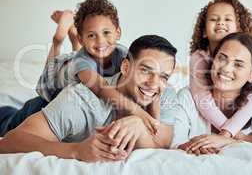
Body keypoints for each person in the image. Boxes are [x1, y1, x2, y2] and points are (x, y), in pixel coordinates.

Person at [0, 35, 189, 162]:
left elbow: (163, 142)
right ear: (125, 67)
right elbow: (9, 141)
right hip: (24, 113)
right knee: (8, 117)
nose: (154, 83)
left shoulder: (166, 93)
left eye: (163, 76)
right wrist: (76, 150)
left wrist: (140, 128)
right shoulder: (82, 99)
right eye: (145, 70)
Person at [0, 0, 159, 136]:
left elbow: (140, 80)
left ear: (118, 33)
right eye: (91, 35)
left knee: (85, 63)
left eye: (106, 33)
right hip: (45, 102)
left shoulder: (123, 54)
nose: (100, 41)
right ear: (83, 39)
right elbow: (100, 87)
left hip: (75, 81)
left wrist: (153, 116)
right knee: (8, 124)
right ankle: (59, 38)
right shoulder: (81, 62)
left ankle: (73, 39)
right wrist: (138, 112)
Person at [188, 0, 252, 141]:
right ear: (203, 30)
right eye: (214, 19)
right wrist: (234, 134)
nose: (220, 23)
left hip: (237, 116)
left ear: (239, 28)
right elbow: (202, 99)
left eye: (227, 19)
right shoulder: (199, 57)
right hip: (218, 114)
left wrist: (227, 134)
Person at [178, 33, 252, 155]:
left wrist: (226, 141)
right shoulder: (186, 97)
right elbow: (175, 144)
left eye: (238, 64)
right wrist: (195, 146)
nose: (226, 69)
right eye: (222, 58)